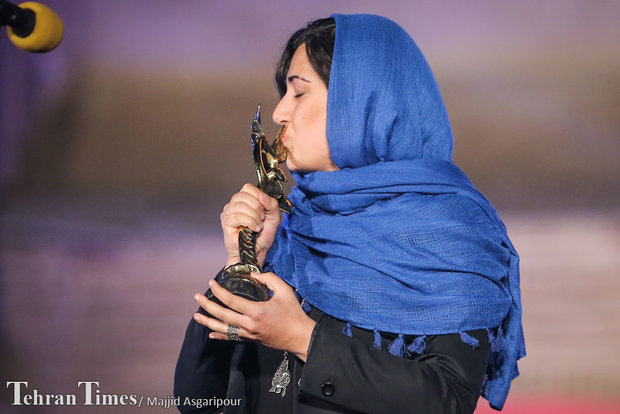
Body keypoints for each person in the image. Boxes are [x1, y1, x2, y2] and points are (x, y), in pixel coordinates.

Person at [174, 14, 525, 414]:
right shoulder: (294, 227)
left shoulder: (449, 231)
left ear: (359, 102)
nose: (278, 113)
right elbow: (197, 401)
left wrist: (302, 338)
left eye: (298, 93)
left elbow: (445, 400)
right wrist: (243, 265)